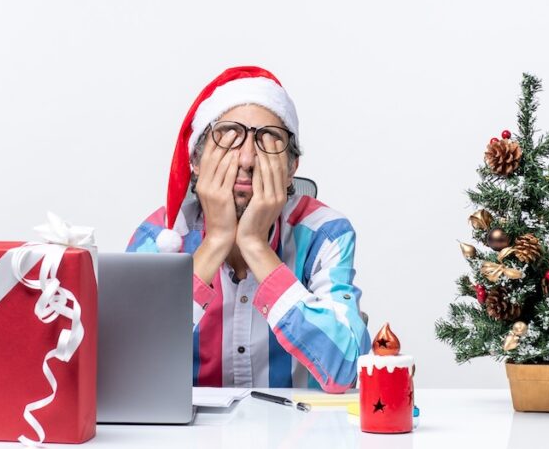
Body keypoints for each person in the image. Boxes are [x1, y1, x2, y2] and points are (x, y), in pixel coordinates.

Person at [126, 66, 371, 391]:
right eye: (228, 137)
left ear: (290, 169)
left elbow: (349, 369)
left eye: (268, 142)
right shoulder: (159, 236)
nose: (247, 159)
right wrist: (215, 243)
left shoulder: (325, 234)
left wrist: (256, 246)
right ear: (196, 162)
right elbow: (129, 366)